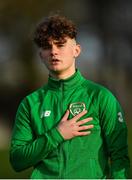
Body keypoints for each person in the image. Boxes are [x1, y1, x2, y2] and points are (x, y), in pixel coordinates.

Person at [10, 14, 130, 179]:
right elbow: (17, 160)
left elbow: (119, 157)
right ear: (41, 55)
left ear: (76, 50)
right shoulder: (30, 103)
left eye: (60, 45)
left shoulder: (100, 96)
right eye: (47, 46)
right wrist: (57, 134)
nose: (53, 51)